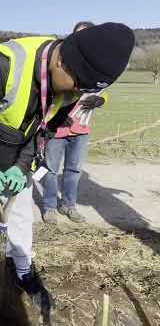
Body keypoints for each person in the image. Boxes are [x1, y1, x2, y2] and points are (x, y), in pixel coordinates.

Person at [0, 22, 134, 311]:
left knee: (22, 217)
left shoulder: (75, 84)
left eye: (85, 89)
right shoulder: (2, 63)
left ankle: (24, 272)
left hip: (18, 152)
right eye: (78, 85)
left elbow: (46, 129)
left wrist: (22, 166)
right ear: (61, 60)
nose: (78, 93)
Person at [41, 21, 108, 224]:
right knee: (51, 170)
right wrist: (59, 113)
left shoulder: (97, 64)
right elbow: (47, 90)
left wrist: (102, 99)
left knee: (74, 170)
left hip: (81, 129)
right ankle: (49, 206)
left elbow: (102, 90)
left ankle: (69, 205)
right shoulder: (60, 58)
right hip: (56, 129)